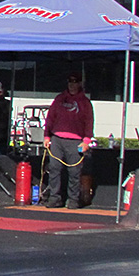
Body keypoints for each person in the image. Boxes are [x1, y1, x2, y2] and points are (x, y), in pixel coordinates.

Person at [43, 72, 94, 208]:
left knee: (74, 171)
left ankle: (73, 200)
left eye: (75, 82)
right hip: (57, 139)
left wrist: (86, 141)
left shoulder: (85, 102)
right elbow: (50, 118)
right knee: (54, 168)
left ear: (79, 84)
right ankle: (55, 198)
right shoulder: (60, 99)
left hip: (75, 141)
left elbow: (89, 122)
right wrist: (47, 136)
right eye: (70, 82)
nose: (72, 85)